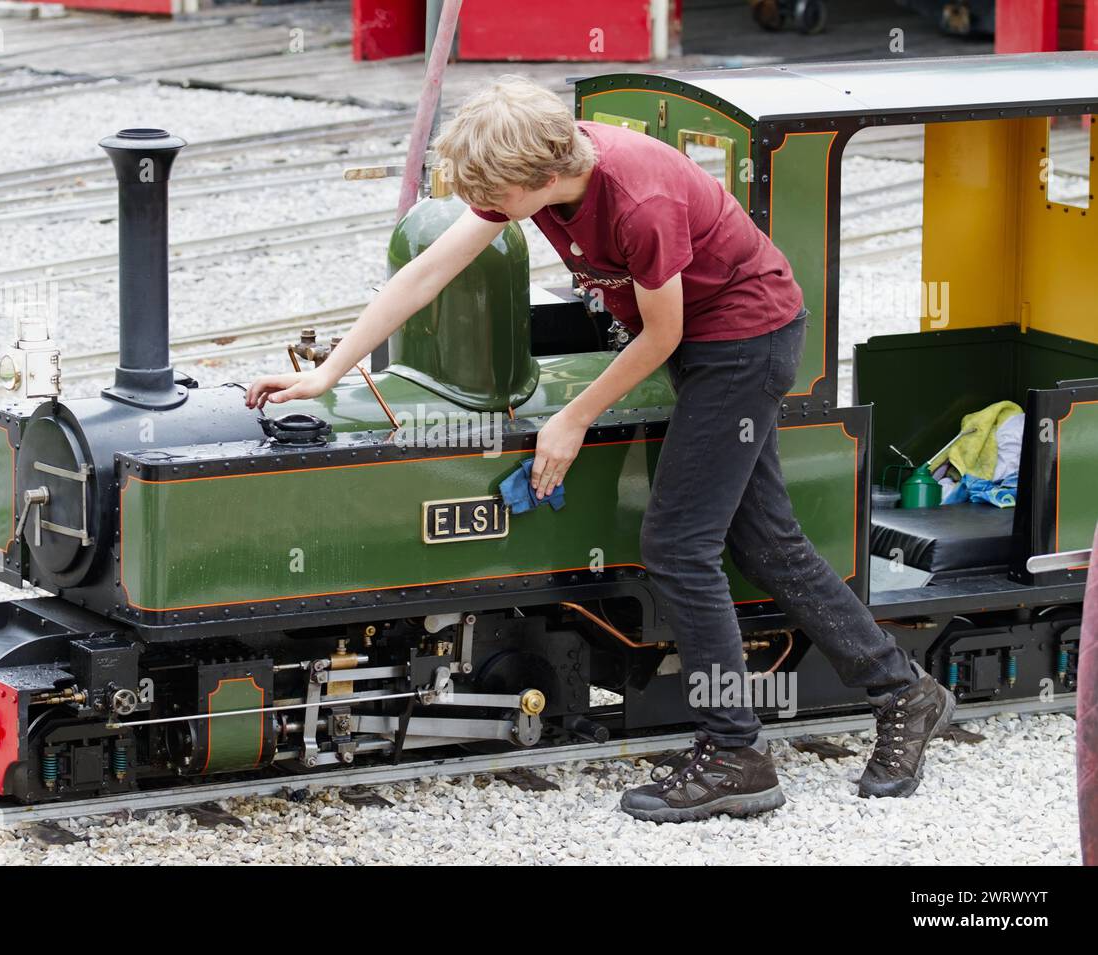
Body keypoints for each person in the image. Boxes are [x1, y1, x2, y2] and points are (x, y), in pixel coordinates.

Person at [245, 75, 956, 823]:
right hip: (704, 339)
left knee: (680, 543)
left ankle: (735, 752)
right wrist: (328, 374)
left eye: (498, 199)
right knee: (766, 540)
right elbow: (427, 271)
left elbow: (664, 334)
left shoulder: (638, 199)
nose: (488, 212)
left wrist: (574, 416)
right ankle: (905, 693)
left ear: (545, 178)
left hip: (744, 340)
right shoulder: (536, 178)